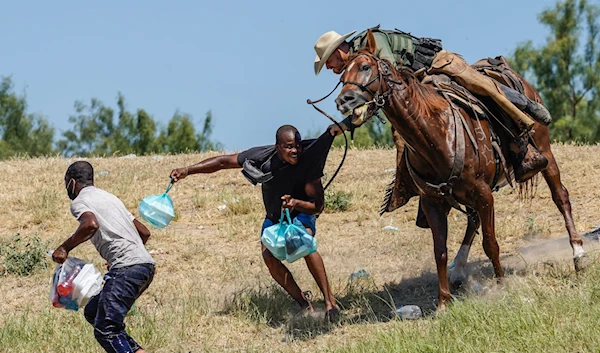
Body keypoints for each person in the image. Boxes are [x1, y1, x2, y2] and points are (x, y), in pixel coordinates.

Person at [313, 26, 553, 222]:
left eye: (328, 62)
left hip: (435, 68)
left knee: (481, 89)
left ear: (338, 50)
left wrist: (348, 122)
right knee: (407, 135)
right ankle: (426, 188)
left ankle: (522, 136)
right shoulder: (356, 67)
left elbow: (389, 81)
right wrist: (346, 123)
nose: (330, 68)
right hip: (416, 86)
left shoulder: (371, 43)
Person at [169, 125, 340, 318]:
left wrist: (296, 203)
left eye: (298, 146)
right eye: (289, 146)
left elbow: (318, 206)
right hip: (275, 218)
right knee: (269, 258)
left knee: (304, 243)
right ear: (278, 147)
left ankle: (329, 303)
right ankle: (303, 303)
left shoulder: (308, 163)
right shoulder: (262, 157)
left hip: (301, 213)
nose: (295, 151)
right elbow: (223, 162)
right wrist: (188, 170)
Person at [52, 161, 155, 353]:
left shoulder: (80, 201)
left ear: (71, 182)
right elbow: (144, 233)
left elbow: (90, 224)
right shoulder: (110, 198)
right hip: (145, 266)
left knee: (106, 330)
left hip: (127, 268)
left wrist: (64, 248)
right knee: (94, 311)